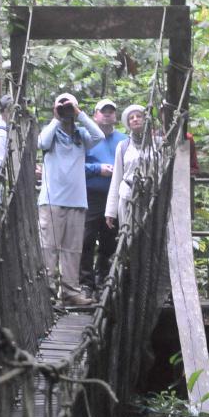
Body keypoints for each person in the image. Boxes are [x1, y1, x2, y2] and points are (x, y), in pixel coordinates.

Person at [37, 93, 104, 307]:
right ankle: (46, 294)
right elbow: (41, 142)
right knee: (48, 248)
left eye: (69, 106)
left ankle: (70, 292)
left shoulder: (81, 135)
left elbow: (99, 136)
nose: (66, 110)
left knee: (73, 250)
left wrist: (79, 113)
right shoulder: (51, 133)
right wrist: (57, 117)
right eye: (62, 106)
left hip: (77, 200)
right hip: (52, 200)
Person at [80, 99, 127, 292]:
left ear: (115, 116)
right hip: (90, 196)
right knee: (86, 239)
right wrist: (97, 169)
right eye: (103, 111)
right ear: (95, 116)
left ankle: (103, 280)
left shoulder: (124, 140)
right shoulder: (86, 138)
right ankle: (85, 282)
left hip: (114, 197)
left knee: (110, 240)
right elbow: (73, 167)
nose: (107, 114)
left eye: (111, 111)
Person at [105, 104, 155, 233]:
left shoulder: (157, 144)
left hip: (151, 196)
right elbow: (117, 178)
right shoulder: (123, 146)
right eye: (131, 118)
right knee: (129, 235)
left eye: (139, 116)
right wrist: (110, 211)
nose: (135, 119)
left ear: (145, 119)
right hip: (128, 197)